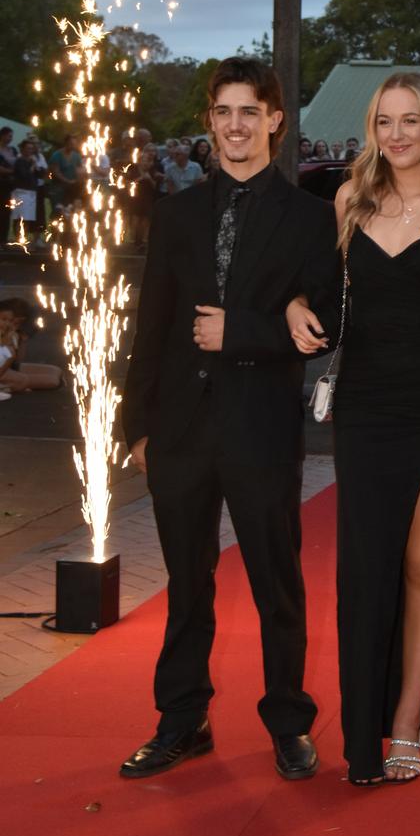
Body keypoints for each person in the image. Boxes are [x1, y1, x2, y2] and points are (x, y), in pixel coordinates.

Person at [120, 57, 340, 782]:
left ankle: (288, 722)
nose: (236, 125)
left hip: (261, 427)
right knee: (186, 585)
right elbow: (150, 323)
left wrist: (241, 331)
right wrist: (137, 428)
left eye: (251, 111)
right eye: (223, 112)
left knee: (277, 583)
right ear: (209, 120)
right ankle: (183, 721)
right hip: (180, 431)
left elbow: (326, 324)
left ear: (276, 119)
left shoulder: (310, 217)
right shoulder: (178, 211)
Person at [286, 71, 420, 784]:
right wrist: (293, 307)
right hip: (365, 407)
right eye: (385, 121)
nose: (398, 134)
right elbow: (323, 289)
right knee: (363, 568)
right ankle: (360, 734)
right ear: (372, 130)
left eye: (412, 121)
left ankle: (406, 718)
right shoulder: (350, 199)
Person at [48, 134, 83, 211]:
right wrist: (68, 181)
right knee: (58, 210)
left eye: (74, 144)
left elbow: (79, 170)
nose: (73, 146)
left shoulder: (77, 156)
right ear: (66, 143)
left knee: (70, 210)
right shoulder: (56, 155)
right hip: (58, 187)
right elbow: (55, 172)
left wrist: (79, 180)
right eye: (71, 144)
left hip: (71, 188)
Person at [0, 126, 18, 246]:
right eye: (9, 135)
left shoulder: (13, 150)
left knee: (7, 212)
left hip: (10, 185)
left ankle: (3, 239)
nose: (10, 138)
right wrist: (11, 171)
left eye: (11, 136)